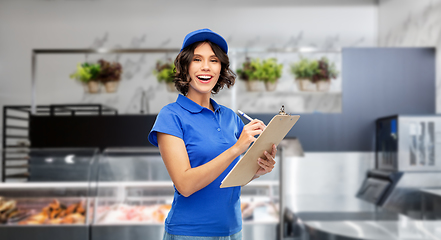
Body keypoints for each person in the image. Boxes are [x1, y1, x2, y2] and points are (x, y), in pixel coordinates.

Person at [148, 28, 277, 240]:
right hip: (190, 233)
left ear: (221, 69)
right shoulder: (170, 116)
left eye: (214, 60)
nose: (206, 67)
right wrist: (236, 148)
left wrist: (259, 169)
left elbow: (231, 178)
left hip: (232, 230)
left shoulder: (229, 117)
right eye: (197, 59)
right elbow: (185, 185)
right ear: (186, 67)